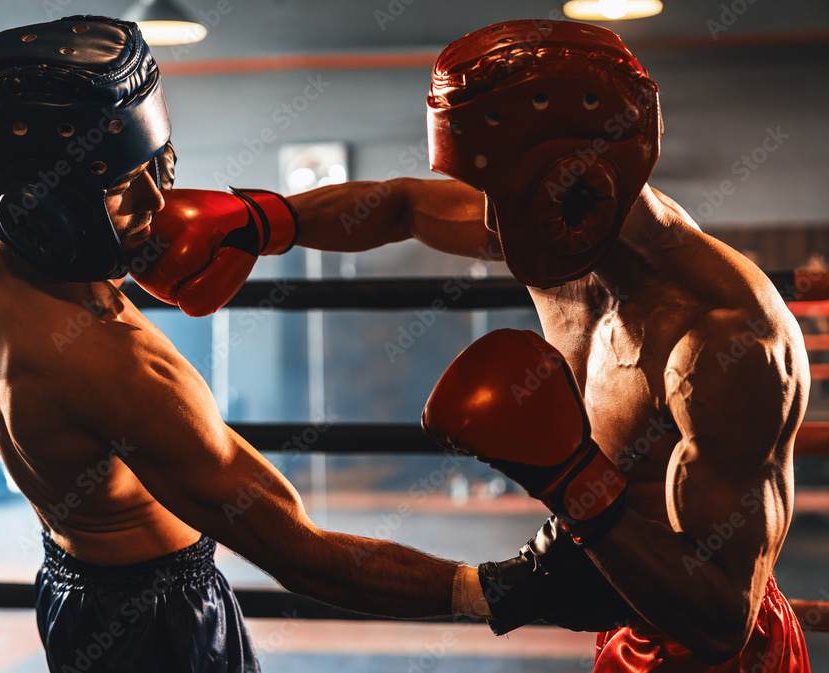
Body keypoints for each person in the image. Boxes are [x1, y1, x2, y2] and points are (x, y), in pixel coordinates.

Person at [147, 19, 812, 671]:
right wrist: (268, 221)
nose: (487, 221)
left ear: (579, 185)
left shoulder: (726, 336)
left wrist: (571, 479)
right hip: (624, 621)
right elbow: (400, 205)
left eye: (504, 197)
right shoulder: (554, 229)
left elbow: (723, 620)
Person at [0, 15, 526, 673]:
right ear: (42, 209)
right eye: (121, 188)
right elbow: (301, 552)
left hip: (68, 587)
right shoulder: (120, 372)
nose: (160, 199)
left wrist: (263, 219)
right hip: (161, 618)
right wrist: (495, 587)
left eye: (156, 163)